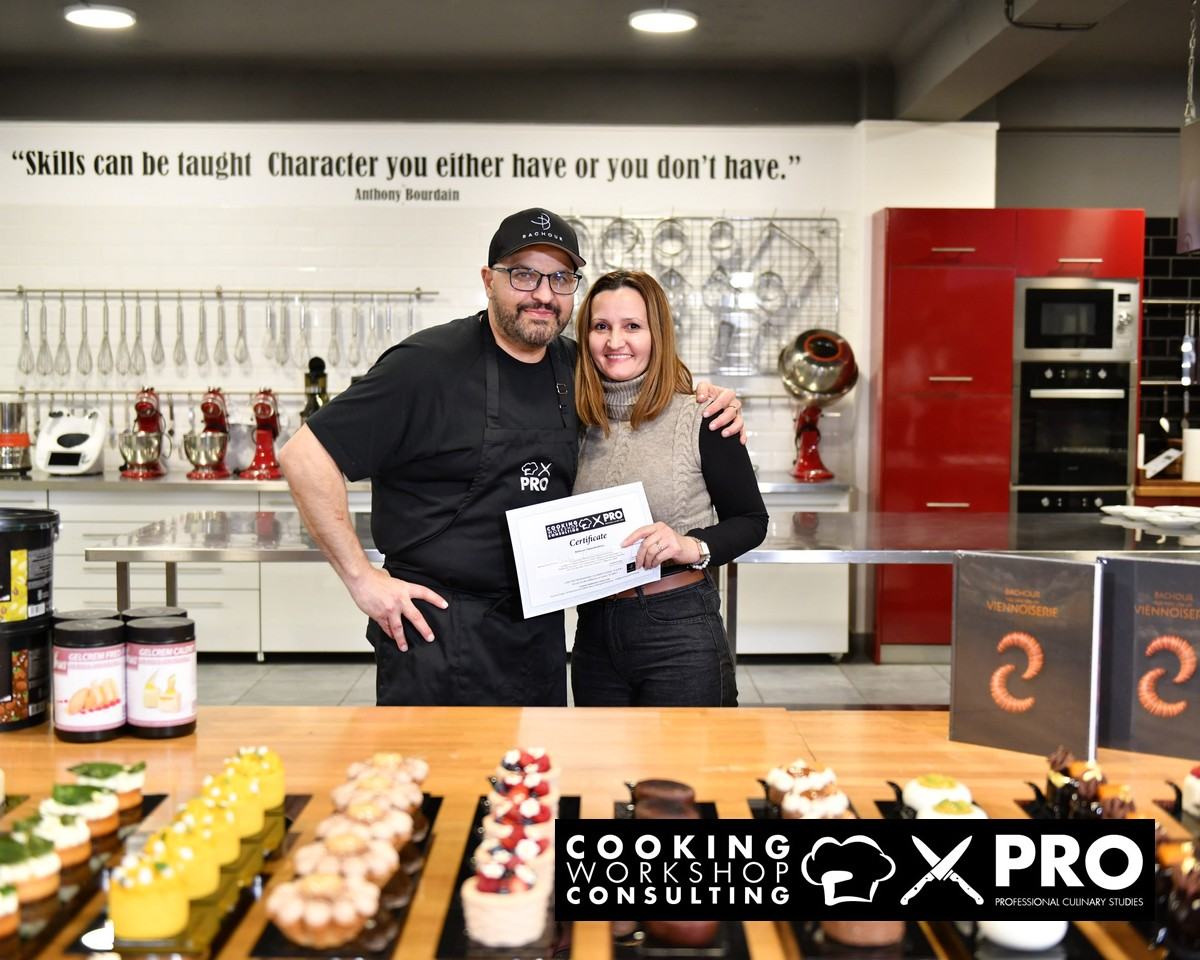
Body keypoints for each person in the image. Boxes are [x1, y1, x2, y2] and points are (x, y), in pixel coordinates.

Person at [278, 208, 745, 707]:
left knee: (534, 760)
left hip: (536, 633)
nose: (543, 294)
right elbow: (304, 456)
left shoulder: (576, 366)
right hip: (438, 633)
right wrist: (362, 579)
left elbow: (644, 381)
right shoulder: (426, 365)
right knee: (440, 762)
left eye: (560, 278)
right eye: (524, 274)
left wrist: (709, 398)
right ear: (489, 280)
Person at [570, 270, 768, 707]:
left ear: (657, 334)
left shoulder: (703, 416)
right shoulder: (575, 423)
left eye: (632, 326)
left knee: (687, 754)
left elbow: (752, 521)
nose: (615, 341)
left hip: (679, 631)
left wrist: (689, 545)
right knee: (601, 754)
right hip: (593, 634)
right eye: (601, 326)